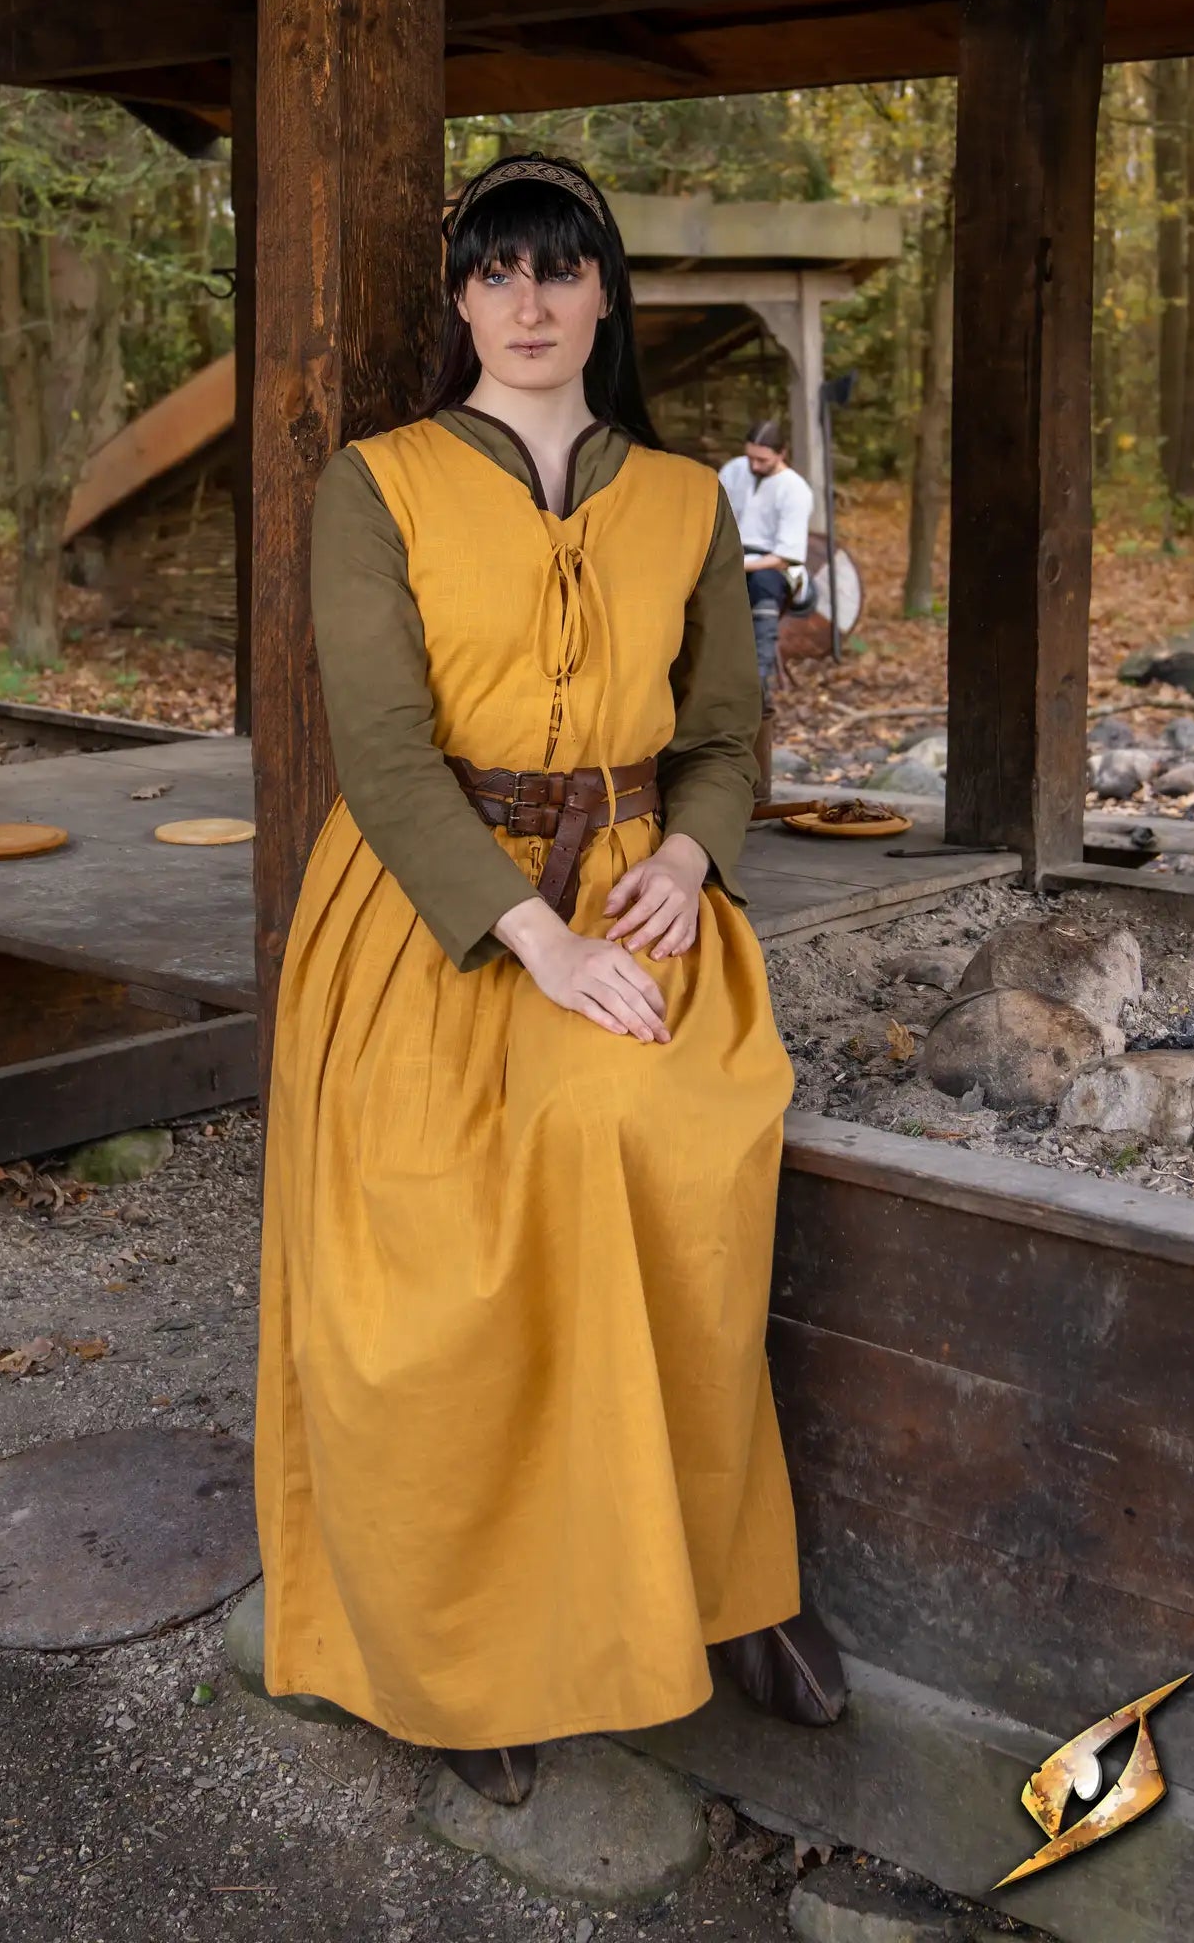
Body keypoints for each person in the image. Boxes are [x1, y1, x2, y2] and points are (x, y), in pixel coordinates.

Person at [255, 153, 845, 1812]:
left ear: (603, 298)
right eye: (495, 274)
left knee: (680, 1168)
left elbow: (728, 733)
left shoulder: (683, 501)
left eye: (558, 272)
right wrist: (541, 942)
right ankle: (461, 1649)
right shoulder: (375, 486)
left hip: (634, 892)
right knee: (445, 1234)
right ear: (460, 304)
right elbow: (375, 747)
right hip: (429, 912)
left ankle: (726, 1583)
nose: (526, 304)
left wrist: (678, 860)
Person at [719, 424, 814, 805]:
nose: (754, 464)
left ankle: (757, 677)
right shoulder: (734, 470)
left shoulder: (795, 489)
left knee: (762, 586)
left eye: (763, 459)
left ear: (781, 453)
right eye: (751, 456)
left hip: (774, 567)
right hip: (732, 557)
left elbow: (787, 553)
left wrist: (740, 567)